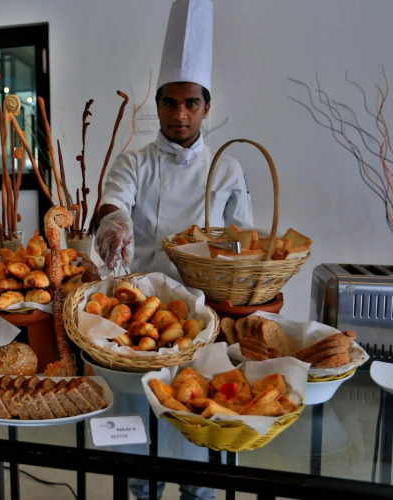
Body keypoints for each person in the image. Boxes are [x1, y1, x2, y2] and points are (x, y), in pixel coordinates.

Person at [91, 1, 253, 499]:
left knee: (193, 413)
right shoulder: (135, 162)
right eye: (170, 102)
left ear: (206, 107)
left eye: (190, 103)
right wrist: (113, 222)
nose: (180, 114)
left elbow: (245, 241)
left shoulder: (227, 168)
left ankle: (196, 492)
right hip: (134, 309)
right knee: (136, 420)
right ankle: (141, 489)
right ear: (158, 105)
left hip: (201, 316)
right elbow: (113, 201)